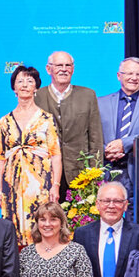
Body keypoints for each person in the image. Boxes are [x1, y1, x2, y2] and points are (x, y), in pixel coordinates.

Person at [0, 65, 63, 238]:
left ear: (36, 87)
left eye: (29, 81)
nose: (24, 85)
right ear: (14, 88)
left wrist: (55, 185)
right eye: (20, 81)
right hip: (12, 183)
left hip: (41, 183)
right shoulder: (5, 121)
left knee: (40, 222)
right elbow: (0, 157)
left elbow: (55, 154)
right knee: (12, 227)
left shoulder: (46, 119)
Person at [99, 58, 139, 213]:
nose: (134, 78)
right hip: (104, 168)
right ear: (119, 75)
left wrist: (124, 144)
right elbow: (90, 136)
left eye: (138, 74)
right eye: (129, 73)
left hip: (135, 170)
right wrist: (105, 150)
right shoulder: (100, 103)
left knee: (134, 217)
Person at [35, 51, 103, 182]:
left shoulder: (88, 95)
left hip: (80, 172)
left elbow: (96, 138)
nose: (64, 70)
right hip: (46, 173)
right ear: (49, 69)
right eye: (59, 65)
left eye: (68, 65)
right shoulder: (37, 96)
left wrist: (95, 173)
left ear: (73, 69)